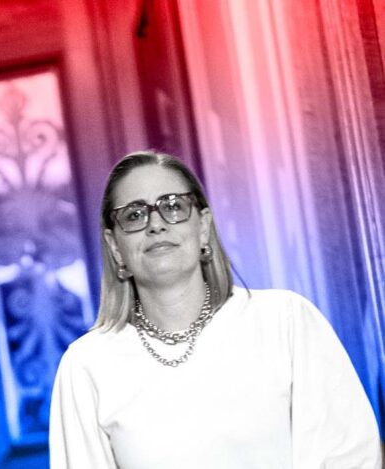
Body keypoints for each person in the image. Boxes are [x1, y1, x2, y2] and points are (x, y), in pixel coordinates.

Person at [49, 151, 381, 468]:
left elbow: (351, 458)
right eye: (134, 215)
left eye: (173, 206)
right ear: (115, 247)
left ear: (204, 227)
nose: (156, 224)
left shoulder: (286, 320)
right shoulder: (86, 366)